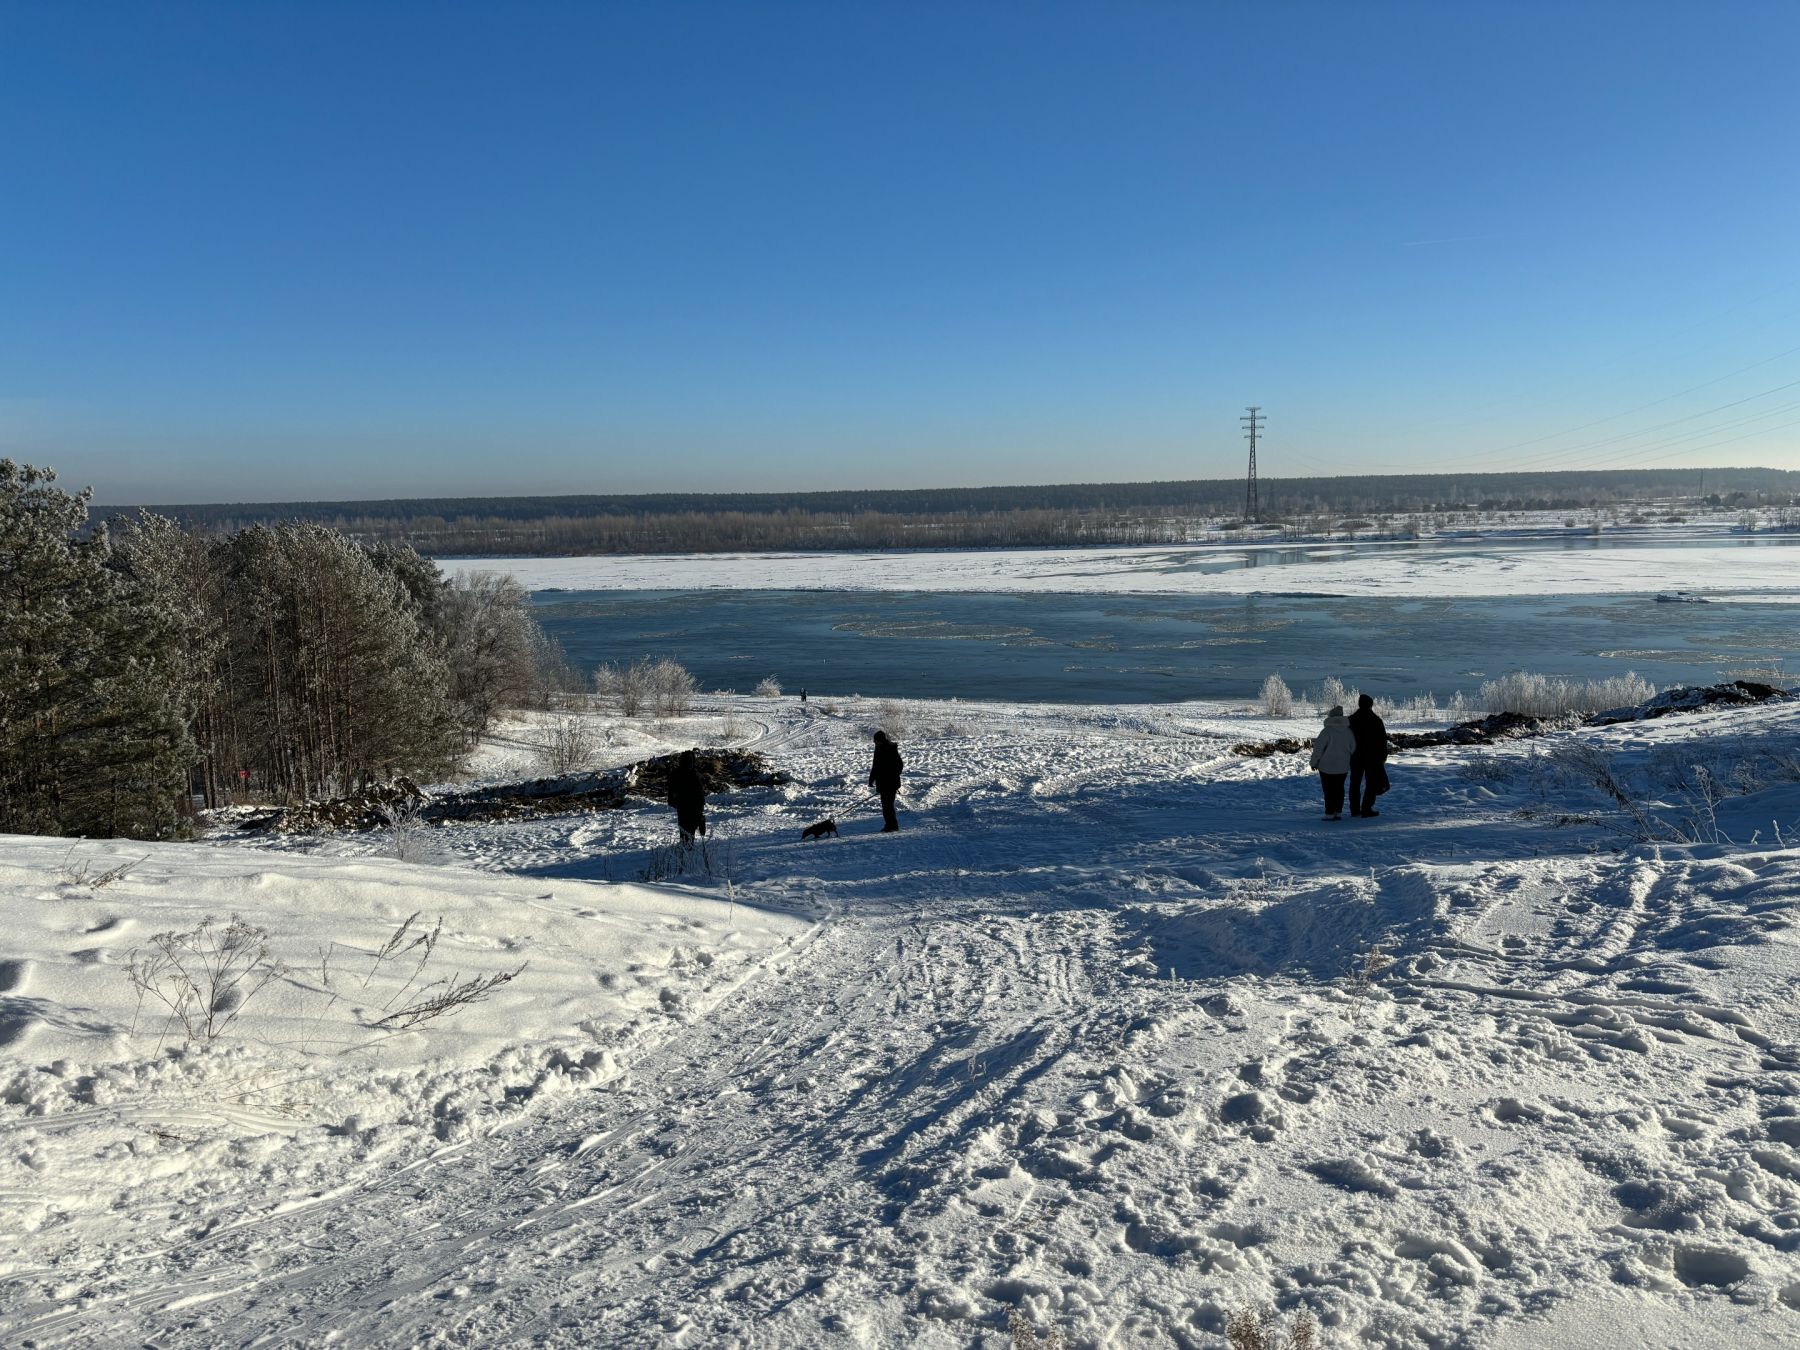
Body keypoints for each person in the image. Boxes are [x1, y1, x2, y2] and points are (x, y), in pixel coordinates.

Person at [1308, 705, 1355, 820]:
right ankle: (1338, 812)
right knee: (1339, 789)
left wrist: (1313, 763)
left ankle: (1329, 813)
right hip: (1343, 767)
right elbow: (1353, 748)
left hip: (1326, 767)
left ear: (1330, 716)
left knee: (1328, 790)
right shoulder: (1349, 732)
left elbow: (1318, 750)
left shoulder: (1326, 731)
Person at [1347, 693, 1389, 818]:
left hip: (1355, 756)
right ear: (1370, 705)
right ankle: (1366, 808)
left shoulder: (1351, 720)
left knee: (1355, 782)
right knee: (1371, 783)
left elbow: (1345, 738)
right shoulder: (1376, 720)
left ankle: (1354, 810)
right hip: (1372, 757)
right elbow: (1382, 741)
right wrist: (1383, 757)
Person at [667, 749, 707, 844]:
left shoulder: (675, 773)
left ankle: (685, 849)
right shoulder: (695, 775)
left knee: (684, 829)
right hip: (692, 807)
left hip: (682, 806)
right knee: (690, 829)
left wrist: (673, 801)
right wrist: (701, 809)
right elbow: (700, 794)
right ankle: (688, 848)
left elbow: (671, 791)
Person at [869, 730, 904, 832]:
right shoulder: (878, 748)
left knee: (888, 806)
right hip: (883, 782)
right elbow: (875, 766)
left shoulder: (890, 749)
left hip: (890, 783)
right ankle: (891, 825)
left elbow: (899, 766)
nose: (874, 743)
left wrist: (892, 776)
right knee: (886, 806)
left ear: (880, 740)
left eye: (875, 741)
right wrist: (871, 779)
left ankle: (892, 826)